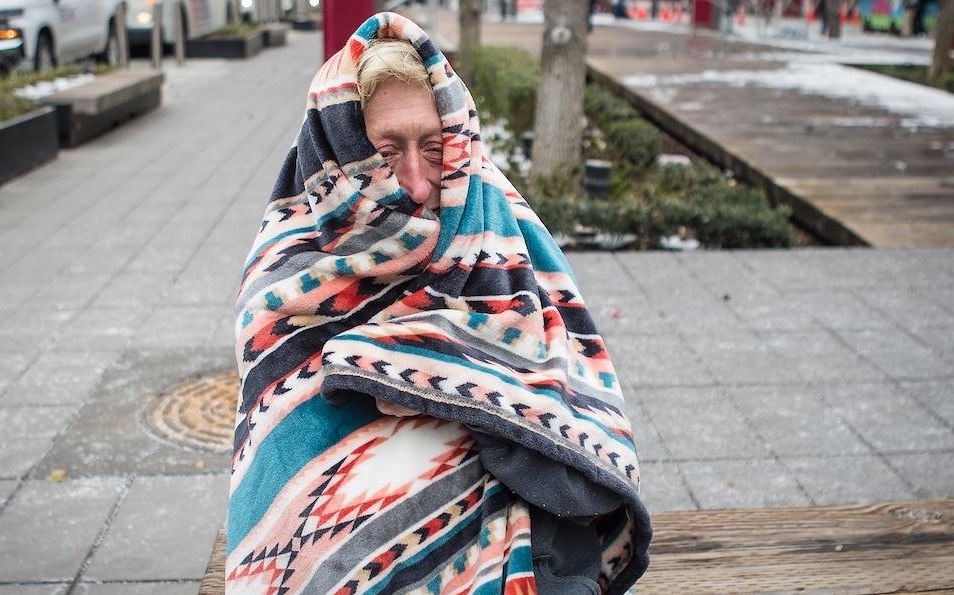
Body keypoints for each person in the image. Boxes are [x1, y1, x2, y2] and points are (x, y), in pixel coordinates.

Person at [228, 12, 651, 594]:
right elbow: (286, 426)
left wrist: (403, 360)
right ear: (343, 149)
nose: (420, 182)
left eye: (433, 147)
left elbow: (557, 354)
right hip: (348, 514)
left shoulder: (488, 212)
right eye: (386, 151)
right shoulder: (289, 259)